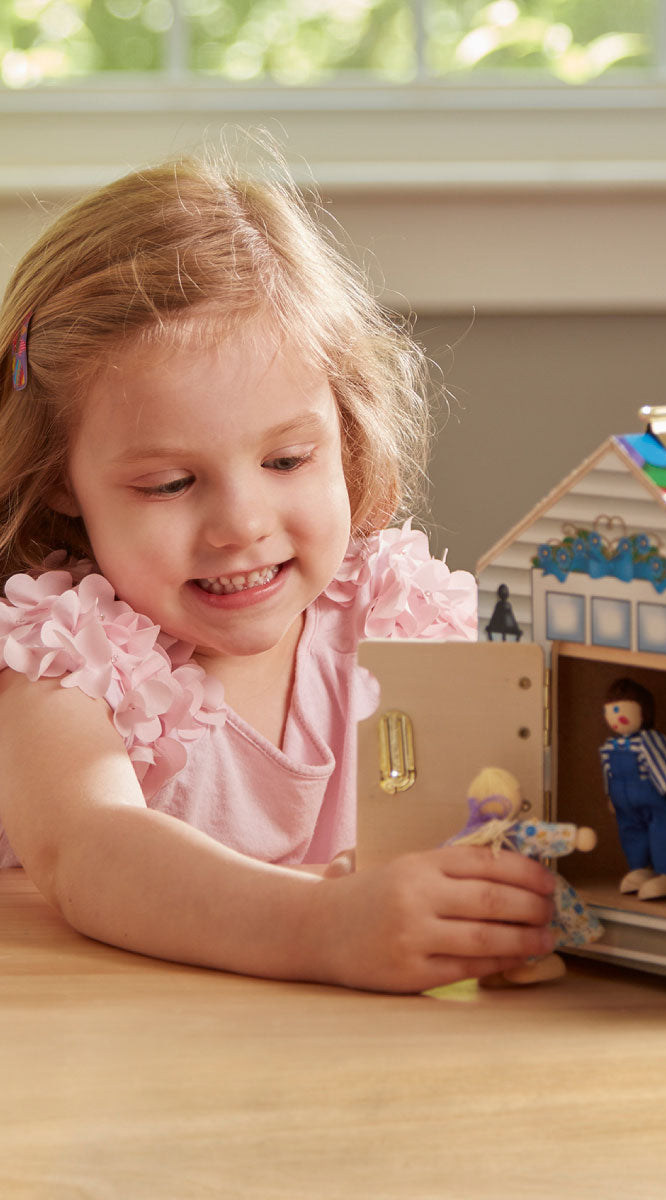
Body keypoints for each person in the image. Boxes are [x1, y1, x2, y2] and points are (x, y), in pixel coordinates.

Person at [0, 146, 557, 994]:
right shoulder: (62, 660)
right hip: (124, 1070)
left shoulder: (393, 618)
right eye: (170, 483)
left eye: (289, 460)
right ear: (62, 481)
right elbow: (92, 848)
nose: (242, 526)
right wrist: (324, 925)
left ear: (347, 428)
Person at [447, 767, 603, 984]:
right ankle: (505, 966)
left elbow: (446, 856)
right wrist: (576, 837)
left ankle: (534, 964)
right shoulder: (511, 832)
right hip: (510, 898)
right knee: (517, 927)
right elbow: (546, 835)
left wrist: (574, 837)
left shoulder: (474, 836)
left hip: (508, 897)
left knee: (515, 928)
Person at [598, 677, 666, 900]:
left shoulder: (649, 740)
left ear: (642, 712)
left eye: (619, 710)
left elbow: (661, 764)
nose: (614, 717)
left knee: (662, 831)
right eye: (610, 711)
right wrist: (610, 797)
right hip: (624, 802)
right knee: (631, 833)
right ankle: (640, 867)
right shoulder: (610, 746)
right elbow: (608, 773)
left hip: (652, 798)